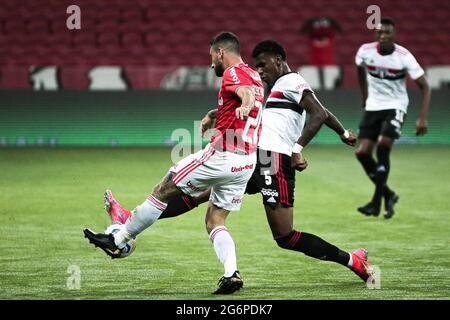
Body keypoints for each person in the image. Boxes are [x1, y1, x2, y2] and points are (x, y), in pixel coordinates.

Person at [106, 40, 374, 284]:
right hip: (257, 157)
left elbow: (318, 113)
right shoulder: (280, 88)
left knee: (285, 236)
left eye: (263, 64)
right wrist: (343, 132)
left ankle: (352, 260)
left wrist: (296, 148)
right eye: (256, 65)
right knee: (202, 193)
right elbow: (321, 113)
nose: (260, 70)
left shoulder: (292, 81)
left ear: (279, 60)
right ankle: (130, 221)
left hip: (273, 161)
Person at [84, 31, 265, 295]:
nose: (211, 63)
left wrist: (245, 104)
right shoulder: (256, 76)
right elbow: (245, 101)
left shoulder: (233, 73)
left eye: (211, 57)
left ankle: (118, 239)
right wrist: (214, 114)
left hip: (223, 155)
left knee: (163, 189)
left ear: (220, 53)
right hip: (246, 163)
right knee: (215, 220)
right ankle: (231, 274)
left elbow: (245, 95)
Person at [355, 17, 431, 218]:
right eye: (379, 33)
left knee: (382, 147)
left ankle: (375, 202)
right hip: (373, 107)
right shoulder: (365, 51)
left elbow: (425, 86)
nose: (383, 36)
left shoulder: (403, 56)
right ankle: (389, 195)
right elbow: (359, 70)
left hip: (396, 106)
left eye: (387, 33)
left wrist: (422, 118)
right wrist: (365, 97)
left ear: (394, 35)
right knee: (362, 153)